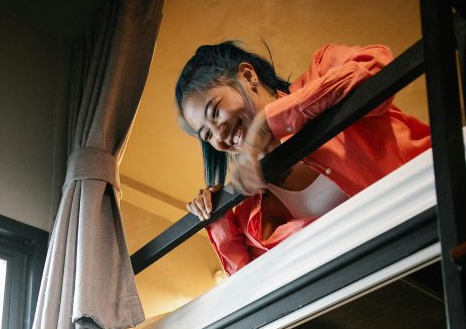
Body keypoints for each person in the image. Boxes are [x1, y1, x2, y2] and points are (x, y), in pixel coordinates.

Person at [175, 42, 431, 275]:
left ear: (248, 76)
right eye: (206, 133)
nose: (219, 133)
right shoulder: (251, 203)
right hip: (390, 274)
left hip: (433, 201)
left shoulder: (322, 69)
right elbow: (249, 282)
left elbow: (378, 66)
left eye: (215, 111)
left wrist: (273, 120)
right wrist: (218, 213)